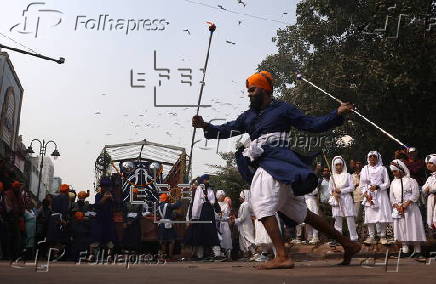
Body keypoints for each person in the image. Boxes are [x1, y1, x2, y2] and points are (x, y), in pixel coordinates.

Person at [192, 71, 360, 269]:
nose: (249, 94)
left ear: (265, 89)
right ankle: (348, 244)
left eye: (252, 90)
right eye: (248, 91)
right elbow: (226, 129)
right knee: (303, 214)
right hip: (268, 163)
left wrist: (336, 113)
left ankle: (282, 256)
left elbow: (310, 124)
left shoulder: (283, 109)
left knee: (260, 203)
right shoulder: (248, 116)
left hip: (278, 161)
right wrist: (205, 125)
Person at [389, 159, 426, 256]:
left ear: (401, 169)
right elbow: (391, 197)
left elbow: (416, 194)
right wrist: (397, 205)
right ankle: (405, 250)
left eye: (395, 171)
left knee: (413, 227)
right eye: (392, 171)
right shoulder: (393, 182)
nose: (394, 173)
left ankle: (417, 250)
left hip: (411, 208)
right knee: (401, 228)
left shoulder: (411, 181)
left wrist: (406, 203)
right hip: (399, 209)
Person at [185, 174, 223, 260]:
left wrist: (218, 210)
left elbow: (215, 202)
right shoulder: (198, 190)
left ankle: (217, 254)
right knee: (200, 234)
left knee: (212, 232)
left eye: (208, 179)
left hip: (209, 213)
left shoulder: (210, 189)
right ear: (202, 181)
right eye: (206, 180)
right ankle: (200, 255)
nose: (207, 181)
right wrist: (194, 217)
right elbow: (195, 204)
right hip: (201, 214)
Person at [360, 151, 392, 245]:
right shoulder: (364, 169)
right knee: (370, 216)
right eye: (371, 156)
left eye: (374, 156)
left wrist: (378, 186)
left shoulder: (382, 169)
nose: (372, 158)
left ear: (378, 158)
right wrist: (366, 194)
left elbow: (387, 183)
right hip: (369, 195)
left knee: (381, 215)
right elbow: (362, 184)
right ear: (368, 158)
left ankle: (382, 236)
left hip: (380, 195)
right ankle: (371, 236)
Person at [328, 156, 358, 242]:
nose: (338, 167)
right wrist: (334, 193)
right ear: (334, 166)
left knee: (350, 218)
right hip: (337, 199)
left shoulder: (348, 175)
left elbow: (352, 188)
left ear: (343, 165)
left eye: (340, 165)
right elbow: (330, 190)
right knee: (337, 219)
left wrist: (341, 191)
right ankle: (338, 238)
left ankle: (354, 238)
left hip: (346, 199)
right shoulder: (332, 177)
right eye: (336, 165)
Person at [89, 177, 116, 260]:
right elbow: (97, 205)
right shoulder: (98, 195)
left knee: (110, 239)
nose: (106, 188)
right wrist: (104, 198)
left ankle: (109, 255)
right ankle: (92, 255)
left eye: (108, 186)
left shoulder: (113, 195)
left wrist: (111, 198)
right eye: (104, 186)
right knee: (96, 238)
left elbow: (116, 206)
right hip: (99, 220)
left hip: (109, 220)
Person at [157, 193, 181, 260]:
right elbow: (177, 205)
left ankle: (164, 256)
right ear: (166, 199)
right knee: (171, 240)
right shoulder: (167, 205)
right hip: (168, 224)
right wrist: (178, 199)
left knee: (163, 241)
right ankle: (170, 256)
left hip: (161, 224)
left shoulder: (158, 206)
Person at [232, 190, 255, 259]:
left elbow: (243, 217)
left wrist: (235, 221)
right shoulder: (245, 204)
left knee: (248, 240)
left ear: (244, 197)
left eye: (240, 197)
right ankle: (248, 254)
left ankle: (254, 253)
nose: (239, 198)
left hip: (246, 226)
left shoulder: (245, 205)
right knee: (245, 240)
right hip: (244, 226)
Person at [216, 190, 233, 259]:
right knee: (219, 240)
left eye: (223, 196)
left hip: (225, 224)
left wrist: (226, 217)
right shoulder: (215, 204)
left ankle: (228, 253)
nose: (222, 197)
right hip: (217, 224)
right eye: (220, 196)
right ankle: (220, 254)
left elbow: (227, 214)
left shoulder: (226, 205)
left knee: (227, 238)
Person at [423, 154, 436, 230]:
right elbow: (424, 189)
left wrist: (430, 188)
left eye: (431, 163)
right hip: (431, 198)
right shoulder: (430, 178)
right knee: (431, 219)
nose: (428, 165)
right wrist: (427, 189)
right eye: (427, 163)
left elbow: (432, 188)